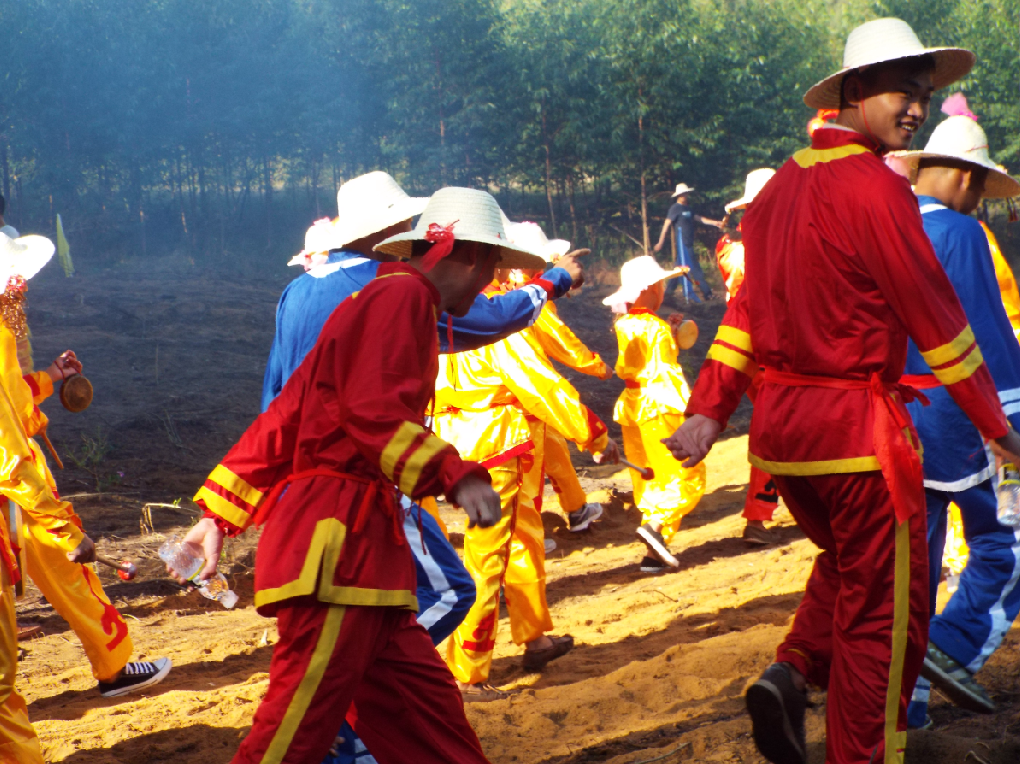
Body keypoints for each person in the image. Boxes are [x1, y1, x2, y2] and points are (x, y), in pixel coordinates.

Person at [662, 18, 1020, 764]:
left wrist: (709, 411)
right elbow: (939, 322)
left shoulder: (779, 187)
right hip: (859, 439)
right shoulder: (878, 189)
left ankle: (792, 669)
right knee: (883, 622)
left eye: (925, 96)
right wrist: (999, 427)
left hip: (784, 441)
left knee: (850, 566)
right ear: (855, 90)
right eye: (903, 92)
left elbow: (743, 318)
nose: (916, 109)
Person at [180, 187, 544, 764]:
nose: (487, 285)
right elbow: (372, 410)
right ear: (474, 257)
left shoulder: (378, 298)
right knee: (290, 737)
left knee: (433, 733)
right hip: (339, 553)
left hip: (366, 566)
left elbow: (287, 414)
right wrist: (455, 474)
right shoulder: (403, 295)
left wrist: (218, 514)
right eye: (493, 269)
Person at [889, 108, 1020, 726]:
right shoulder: (963, 234)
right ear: (968, 178)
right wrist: (1010, 421)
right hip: (965, 418)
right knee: (1008, 543)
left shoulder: (885, 225)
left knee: (914, 566)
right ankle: (949, 645)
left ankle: (900, 708)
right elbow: (984, 339)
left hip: (895, 421)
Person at [0, 231, 173, 697]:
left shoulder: (2, 331)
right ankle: (111, 667)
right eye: (14, 276)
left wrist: (50, 377)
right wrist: (64, 528)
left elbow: (11, 400)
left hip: (15, 486)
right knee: (68, 567)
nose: (21, 286)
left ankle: (114, 666)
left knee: (66, 574)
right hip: (16, 488)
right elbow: (7, 448)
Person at [434, 267, 619, 701]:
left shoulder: (436, 310)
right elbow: (541, 385)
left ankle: (534, 637)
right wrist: (593, 435)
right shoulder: (493, 316)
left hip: (455, 445)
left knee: (523, 539)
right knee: (487, 560)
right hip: (499, 446)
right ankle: (468, 672)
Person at [262, 172, 583, 408]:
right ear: (389, 228)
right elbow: (490, 318)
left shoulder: (295, 291)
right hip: (357, 459)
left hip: (297, 457)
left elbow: (274, 385)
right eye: (407, 221)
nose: (411, 229)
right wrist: (556, 280)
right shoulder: (390, 286)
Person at [503, 222, 610, 534]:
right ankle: (525, 535)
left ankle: (576, 510)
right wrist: (596, 365)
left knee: (554, 450)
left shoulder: (504, 290)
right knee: (529, 464)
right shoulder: (529, 294)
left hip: (514, 396)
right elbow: (560, 340)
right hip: (524, 396)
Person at [603, 256, 706, 572]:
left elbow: (643, 358)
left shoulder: (623, 324)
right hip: (661, 406)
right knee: (686, 475)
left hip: (634, 408)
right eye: (661, 284)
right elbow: (663, 371)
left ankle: (653, 553)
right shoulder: (657, 329)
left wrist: (670, 334)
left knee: (651, 479)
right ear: (650, 288)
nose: (664, 289)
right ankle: (655, 526)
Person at [717, 170, 779, 546]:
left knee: (772, 426)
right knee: (775, 428)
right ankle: (758, 515)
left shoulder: (728, 248)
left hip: (743, 347)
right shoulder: (768, 248)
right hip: (772, 350)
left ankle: (761, 514)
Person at [653, 183, 723, 303]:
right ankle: (705, 294)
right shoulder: (675, 208)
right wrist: (660, 242)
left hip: (689, 243)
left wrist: (715, 223)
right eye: (682, 194)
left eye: (686, 193)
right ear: (678, 195)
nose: (685, 196)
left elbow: (700, 219)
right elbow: (666, 225)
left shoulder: (688, 209)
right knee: (694, 268)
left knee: (679, 269)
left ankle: (667, 294)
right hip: (682, 244)